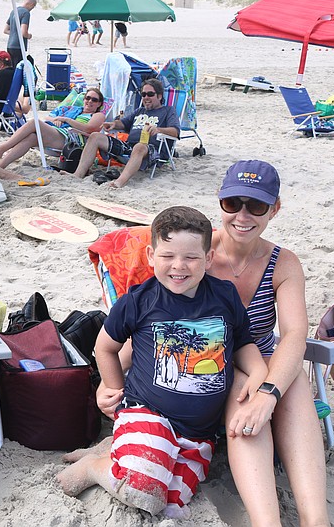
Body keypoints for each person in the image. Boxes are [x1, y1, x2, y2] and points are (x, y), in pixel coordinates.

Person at [56, 206, 270, 519]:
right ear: (151, 255)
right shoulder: (139, 301)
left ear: (208, 259)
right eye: (167, 256)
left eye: (191, 258)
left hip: (198, 434)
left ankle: (113, 448)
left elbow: (243, 341)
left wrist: (260, 371)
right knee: (142, 490)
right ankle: (93, 467)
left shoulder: (224, 296)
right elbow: (104, 347)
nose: (178, 266)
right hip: (148, 413)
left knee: (170, 505)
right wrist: (113, 387)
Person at [211, 160, 330, 527]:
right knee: (244, 393)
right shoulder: (199, 252)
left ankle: (316, 519)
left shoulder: (283, 263)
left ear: (274, 209)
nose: (243, 215)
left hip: (262, 356)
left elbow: (295, 334)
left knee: (291, 388)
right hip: (209, 358)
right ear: (220, 203)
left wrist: (270, 392)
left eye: (256, 206)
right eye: (233, 203)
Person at [72, 78, 179, 187]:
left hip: (153, 152)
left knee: (139, 147)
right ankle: (78, 174)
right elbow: (123, 124)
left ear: (159, 96)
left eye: (150, 94)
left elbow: (175, 131)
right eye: (143, 94)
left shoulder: (168, 111)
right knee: (95, 136)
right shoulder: (139, 111)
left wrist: (158, 130)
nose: (146, 97)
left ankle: (119, 182)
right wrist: (114, 124)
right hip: (129, 148)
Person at [0, 87, 107, 169]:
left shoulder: (97, 115)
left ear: (99, 104)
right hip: (57, 132)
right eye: (87, 98)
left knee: (34, 122)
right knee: (31, 138)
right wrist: (57, 119)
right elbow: (49, 117)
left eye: (94, 100)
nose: (90, 101)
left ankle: (0, 150)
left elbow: (89, 128)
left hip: (72, 141)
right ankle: (1, 166)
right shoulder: (72, 109)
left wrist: (66, 120)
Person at [4, 0, 36, 67]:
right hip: (19, 45)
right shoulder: (26, 13)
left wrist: (14, 33)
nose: (32, 9)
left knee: (12, 68)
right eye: (33, 7)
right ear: (31, 4)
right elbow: (23, 32)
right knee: (18, 69)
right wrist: (29, 35)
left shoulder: (14, 11)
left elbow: (5, 30)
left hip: (10, 45)